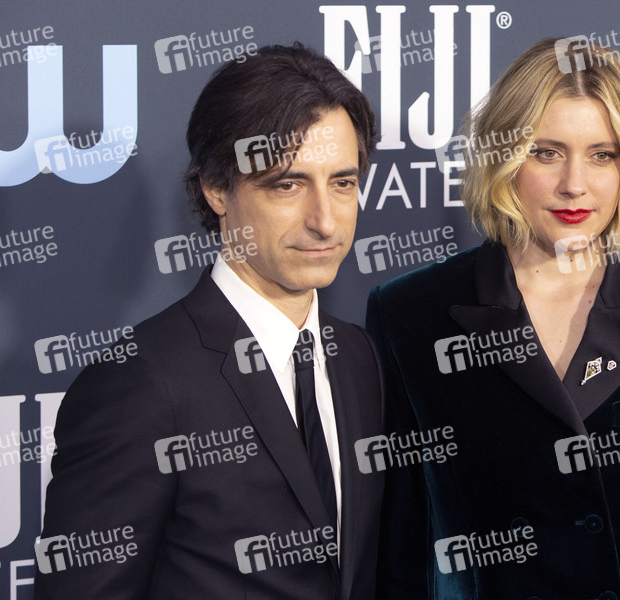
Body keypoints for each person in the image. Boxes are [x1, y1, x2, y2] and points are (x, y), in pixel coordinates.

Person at [367, 38, 620, 599]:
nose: (574, 184)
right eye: (546, 152)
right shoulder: (411, 312)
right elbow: (402, 544)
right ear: (504, 158)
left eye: (602, 154)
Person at [34, 44, 385, 600]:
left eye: (342, 183)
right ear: (217, 188)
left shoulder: (360, 357)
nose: (325, 221)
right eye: (288, 184)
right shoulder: (140, 382)